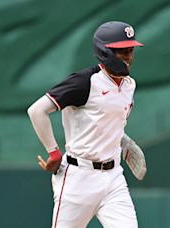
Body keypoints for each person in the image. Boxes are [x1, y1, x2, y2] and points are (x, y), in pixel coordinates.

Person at [27, 21, 143, 228]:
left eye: (130, 50)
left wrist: (123, 141)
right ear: (105, 52)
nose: (128, 57)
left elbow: (107, 120)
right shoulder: (85, 81)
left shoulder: (129, 85)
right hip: (78, 177)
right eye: (121, 51)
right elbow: (37, 110)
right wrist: (53, 153)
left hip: (113, 177)